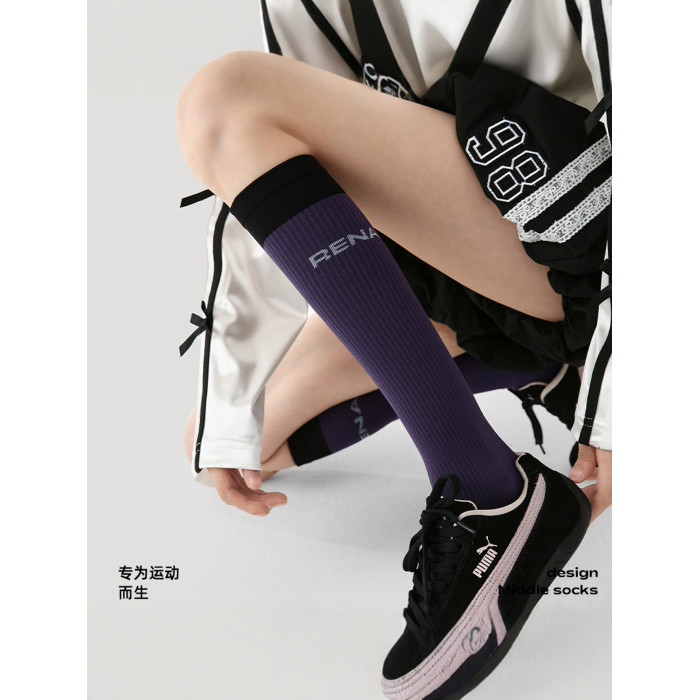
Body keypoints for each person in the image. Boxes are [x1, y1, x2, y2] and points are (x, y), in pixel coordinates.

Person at [176, 1, 611, 697]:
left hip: (588, 249)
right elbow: (284, 174)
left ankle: (488, 488)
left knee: (224, 100)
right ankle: (535, 360)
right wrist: (231, 395)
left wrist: (618, 404)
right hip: (479, 250)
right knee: (241, 433)